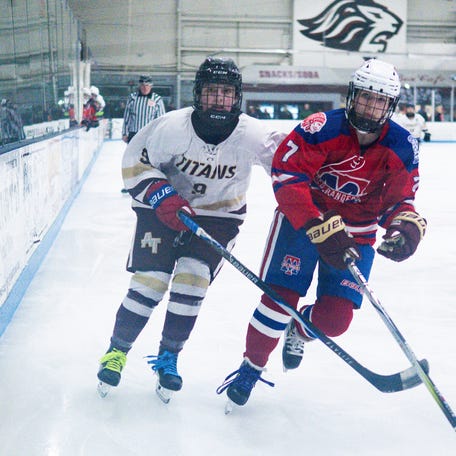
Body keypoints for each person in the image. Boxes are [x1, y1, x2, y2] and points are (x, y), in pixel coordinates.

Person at [217, 59, 427, 408]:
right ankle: (251, 367)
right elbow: (287, 177)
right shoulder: (320, 128)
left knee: (336, 320)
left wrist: (403, 225)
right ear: (352, 95)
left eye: (379, 101)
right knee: (280, 300)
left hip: (357, 235)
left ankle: (299, 331)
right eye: (364, 97)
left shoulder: (403, 145)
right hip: (302, 225)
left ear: (389, 106)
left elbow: (399, 198)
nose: (369, 106)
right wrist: (315, 225)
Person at [96, 57, 286, 401]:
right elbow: (134, 161)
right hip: (162, 211)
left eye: (226, 93)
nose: (218, 100)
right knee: (150, 282)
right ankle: (117, 351)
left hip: (219, 218)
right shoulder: (171, 128)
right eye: (212, 92)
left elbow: (292, 166)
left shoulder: (255, 135)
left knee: (193, 281)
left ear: (237, 97)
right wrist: (161, 194)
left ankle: (169, 357)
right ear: (198, 94)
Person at [121, 75, 165, 144]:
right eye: (142, 85)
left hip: (150, 135)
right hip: (134, 134)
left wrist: (160, 135)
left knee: (148, 154)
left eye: (147, 85)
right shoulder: (132, 98)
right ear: (139, 86)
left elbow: (161, 119)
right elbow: (127, 117)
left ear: (151, 86)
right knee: (133, 154)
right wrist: (124, 133)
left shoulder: (157, 99)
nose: (145, 88)